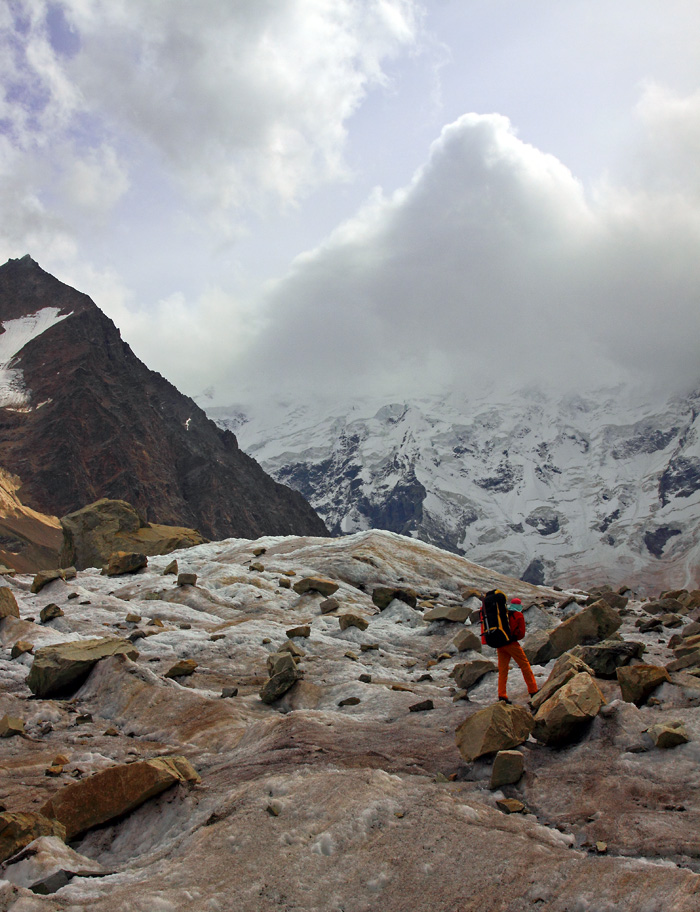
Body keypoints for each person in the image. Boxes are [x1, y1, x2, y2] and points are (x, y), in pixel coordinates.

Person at [479, 591, 538, 707]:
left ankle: (502, 695)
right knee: (525, 665)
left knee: (503, 669)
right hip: (511, 644)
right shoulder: (517, 615)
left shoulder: (504, 612)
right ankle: (533, 690)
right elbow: (521, 634)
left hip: (500, 643)